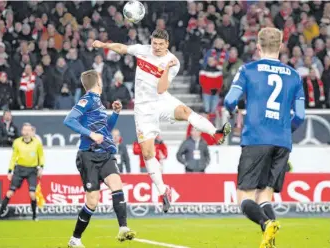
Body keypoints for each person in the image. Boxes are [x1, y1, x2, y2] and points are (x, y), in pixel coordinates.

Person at [92, 29, 232, 213]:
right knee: (148, 152)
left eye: (160, 44)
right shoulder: (143, 50)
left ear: (167, 44)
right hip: (143, 108)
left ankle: (216, 133)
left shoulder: (173, 62)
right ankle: (163, 191)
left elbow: (161, 88)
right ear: (151, 42)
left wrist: (165, 68)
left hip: (161, 100)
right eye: (154, 43)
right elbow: (122, 48)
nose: (157, 47)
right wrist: (104, 45)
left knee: (185, 111)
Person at [224, 27, 305, 248]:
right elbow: (299, 116)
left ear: (258, 47)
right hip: (282, 141)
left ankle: (266, 222)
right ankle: (271, 241)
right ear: (280, 47)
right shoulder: (295, 75)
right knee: (265, 196)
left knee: (244, 197)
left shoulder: (247, 70)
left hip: (256, 139)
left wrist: (237, 111)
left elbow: (230, 101)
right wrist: (284, 130)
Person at [63, 70, 136, 247]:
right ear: (97, 82)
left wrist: (115, 114)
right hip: (88, 154)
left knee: (116, 185)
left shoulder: (99, 103)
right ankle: (75, 238)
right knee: (92, 202)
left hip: (105, 154)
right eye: (101, 80)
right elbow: (69, 120)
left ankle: (123, 228)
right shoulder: (87, 99)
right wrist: (90, 134)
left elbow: (105, 129)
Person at [0, 123, 44, 221]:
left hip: (32, 170)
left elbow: (41, 156)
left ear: (32, 132)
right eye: (24, 130)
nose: (26, 132)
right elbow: (13, 157)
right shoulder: (17, 142)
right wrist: (10, 171)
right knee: (10, 193)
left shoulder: (37, 143)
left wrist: (41, 168)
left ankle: (34, 216)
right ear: (22, 131)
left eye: (28, 130)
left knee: (32, 194)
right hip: (19, 169)